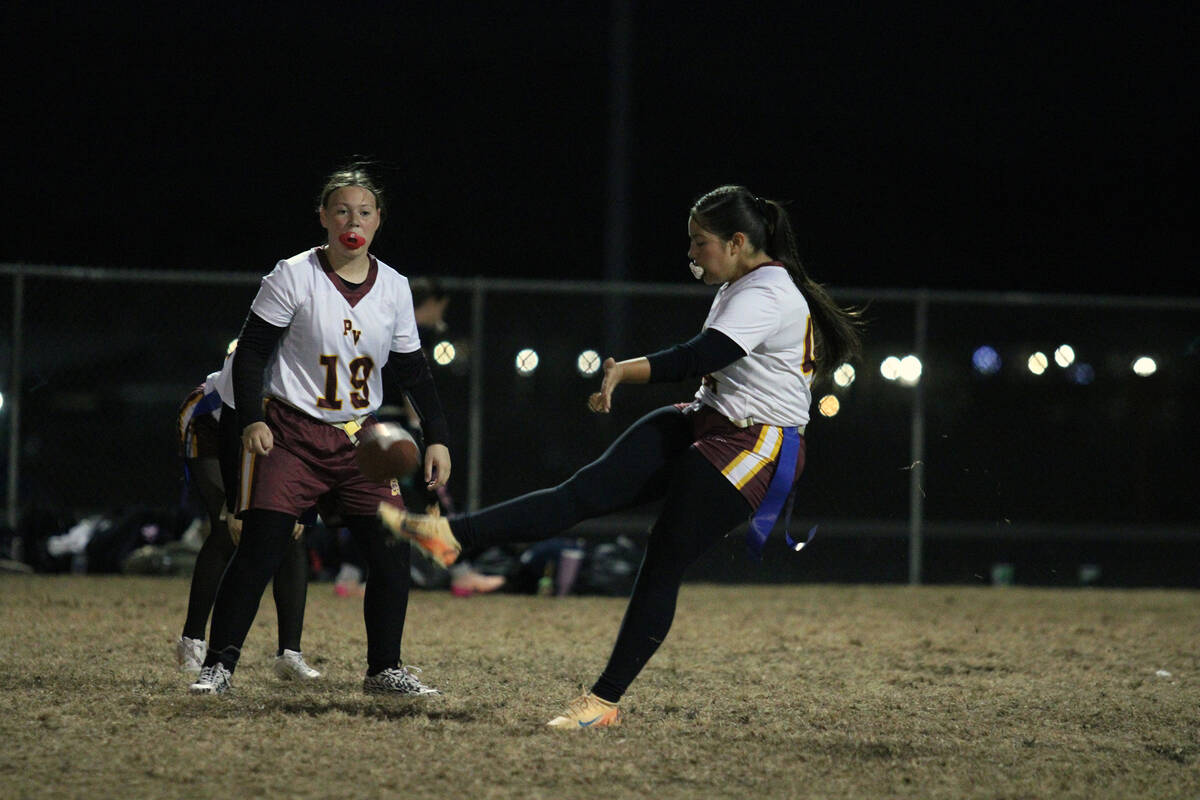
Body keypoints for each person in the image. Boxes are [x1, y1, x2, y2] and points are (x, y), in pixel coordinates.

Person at [381, 184, 862, 728]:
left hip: (756, 444)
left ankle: (603, 703)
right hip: (708, 417)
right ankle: (451, 536)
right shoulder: (744, 281)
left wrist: (624, 370)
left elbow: (701, 356)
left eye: (699, 242)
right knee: (582, 493)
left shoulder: (768, 291)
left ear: (736, 242)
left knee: (663, 557)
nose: (690, 253)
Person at [189, 165, 453, 696]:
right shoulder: (292, 275)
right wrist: (253, 419)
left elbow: (413, 371)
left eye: (364, 212)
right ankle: (218, 666)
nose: (352, 222)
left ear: (378, 220)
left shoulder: (395, 287)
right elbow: (252, 352)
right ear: (323, 218)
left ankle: (384, 670)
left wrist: (439, 437)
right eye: (342, 211)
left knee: (391, 549)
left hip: (360, 440)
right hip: (292, 432)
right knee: (261, 547)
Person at [175, 347, 319, 681]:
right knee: (227, 530)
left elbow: (315, 436)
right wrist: (235, 504)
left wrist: (303, 508)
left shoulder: (319, 354)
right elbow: (232, 428)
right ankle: (192, 640)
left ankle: (290, 653)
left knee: (292, 534)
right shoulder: (257, 347)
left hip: (273, 437)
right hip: (214, 424)